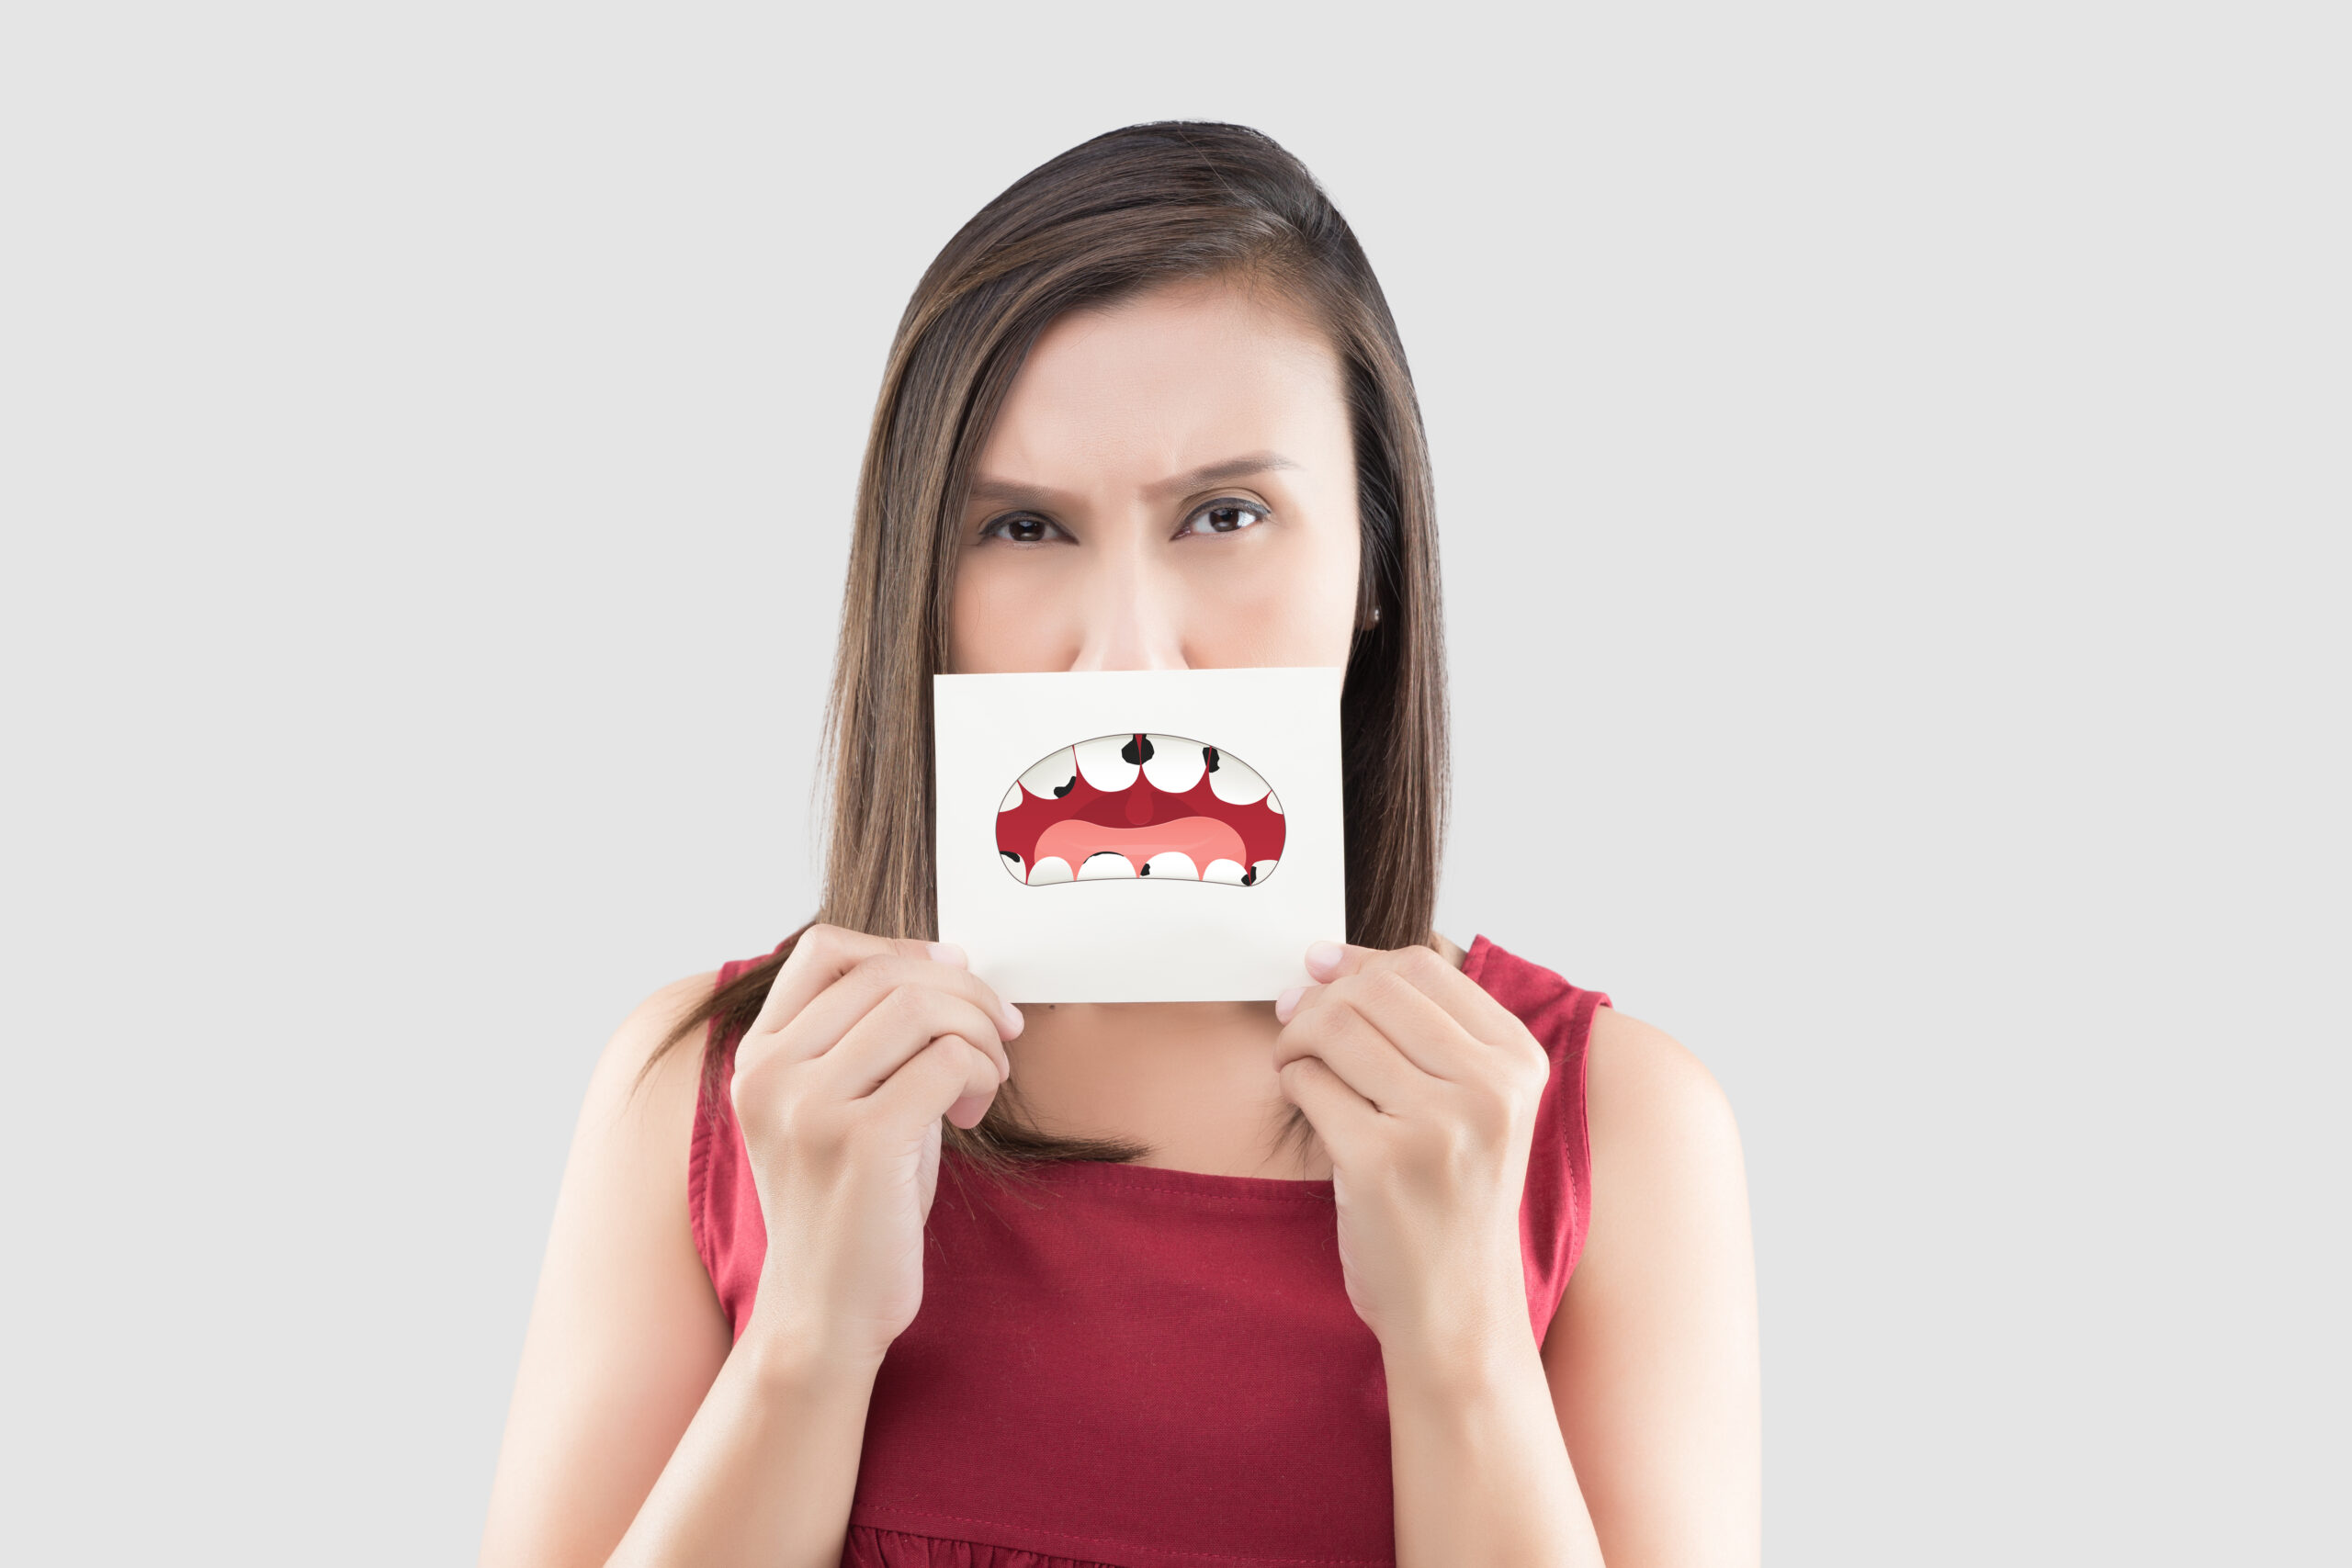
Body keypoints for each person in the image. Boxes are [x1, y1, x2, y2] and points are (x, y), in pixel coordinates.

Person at [479, 121, 1760, 1568]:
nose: (1126, 663)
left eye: (1227, 515)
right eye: (1024, 529)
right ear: (923, 586)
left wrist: (1461, 1347)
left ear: (1376, 564)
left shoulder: (1609, 1130)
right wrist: (806, 1345)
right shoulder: (714, 1096)